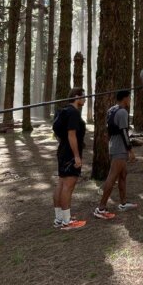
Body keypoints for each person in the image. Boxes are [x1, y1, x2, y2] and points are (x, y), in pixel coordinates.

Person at [94, 90, 138, 219]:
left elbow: (109, 130)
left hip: (113, 145)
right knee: (112, 177)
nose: (130, 100)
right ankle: (101, 208)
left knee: (123, 174)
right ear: (124, 98)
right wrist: (130, 151)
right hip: (120, 148)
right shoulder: (123, 112)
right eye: (129, 98)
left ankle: (123, 203)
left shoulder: (111, 110)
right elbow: (124, 132)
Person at [52, 88, 89, 230]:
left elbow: (59, 133)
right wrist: (76, 156)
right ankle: (67, 222)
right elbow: (71, 135)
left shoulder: (64, 111)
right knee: (68, 186)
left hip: (62, 151)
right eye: (84, 97)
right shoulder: (73, 112)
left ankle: (59, 219)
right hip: (69, 154)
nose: (85, 99)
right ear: (77, 97)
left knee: (61, 184)